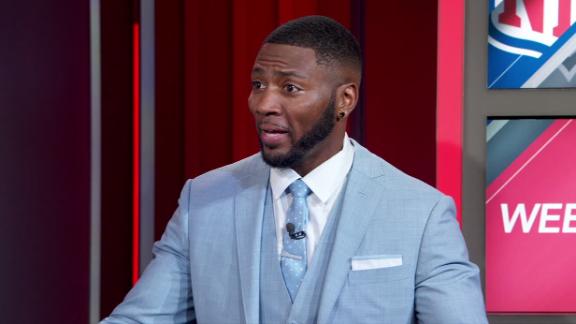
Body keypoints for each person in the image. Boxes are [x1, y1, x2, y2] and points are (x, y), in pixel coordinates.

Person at [102, 15, 488, 324]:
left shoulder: (420, 214)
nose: (262, 103)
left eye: (289, 88)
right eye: (258, 84)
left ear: (345, 99)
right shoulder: (202, 200)